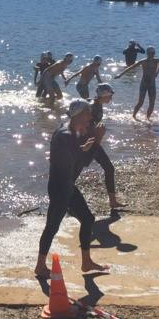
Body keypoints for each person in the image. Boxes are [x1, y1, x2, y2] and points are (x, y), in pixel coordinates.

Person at [35, 100, 110, 279]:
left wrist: (86, 145)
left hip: (67, 185)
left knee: (88, 218)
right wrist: (98, 139)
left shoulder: (70, 131)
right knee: (52, 226)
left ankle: (86, 262)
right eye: (87, 114)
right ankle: (39, 266)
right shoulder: (66, 134)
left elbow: (76, 155)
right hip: (60, 187)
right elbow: (83, 161)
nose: (90, 117)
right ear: (77, 115)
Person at [89, 84, 126, 212]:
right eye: (110, 95)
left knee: (109, 168)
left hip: (92, 142)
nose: (111, 98)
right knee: (109, 168)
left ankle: (113, 201)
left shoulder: (95, 103)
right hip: (89, 143)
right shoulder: (94, 106)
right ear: (104, 95)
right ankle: (112, 201)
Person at [115, 46, 159, 120]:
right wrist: (120, 75)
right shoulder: (143, 61)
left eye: (153, 53)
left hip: (152, 84)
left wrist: (157, 72)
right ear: (147, 53)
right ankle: (134, 116)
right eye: (150, 53)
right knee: (140, 102)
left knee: (152, 103)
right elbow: (131, 67)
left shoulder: (156, 61)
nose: (151, 55)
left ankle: (148, 118)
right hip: (144, 83)